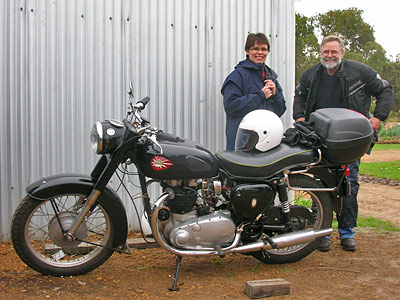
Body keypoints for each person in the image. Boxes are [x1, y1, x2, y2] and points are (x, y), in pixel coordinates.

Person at [293, 35, 394, 252]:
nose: (330, 56)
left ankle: (347, 232)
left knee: (349, 186)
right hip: (321, 140)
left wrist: (377, 118)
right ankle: (322, 233)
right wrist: (300, 118)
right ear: (321, 53)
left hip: (350, 141)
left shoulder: (360, 72)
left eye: (334, 52)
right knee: (321, 185)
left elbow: (385, 89)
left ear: (342, 53)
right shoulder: (311, 75)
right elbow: (299, 96)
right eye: (326, 52)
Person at [221, 33, 286, 150]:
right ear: (247, 51)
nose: (260, 52)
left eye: (264, 49)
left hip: (267, 141)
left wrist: (276, 94)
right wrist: (260, 96)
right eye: (256, 49)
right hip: (242, 142)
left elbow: (280, 110)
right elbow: (230, 106)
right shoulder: (237, 76)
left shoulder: (271, 78)